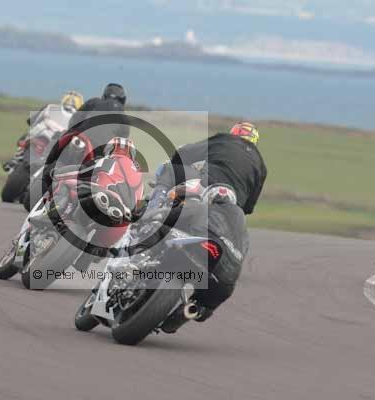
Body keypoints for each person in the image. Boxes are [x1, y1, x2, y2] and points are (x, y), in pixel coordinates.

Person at [154, 122, 267, 333]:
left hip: (203, 190)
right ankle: (195, 308)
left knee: (170, 171)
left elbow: (185, 153)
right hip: (229, 214)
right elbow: (249, 207)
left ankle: (153, 208)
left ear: (234, 134)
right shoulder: (261, 166)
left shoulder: (224, 140)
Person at [24, 83, 130, 210]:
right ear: (123, 100)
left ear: (104, 95)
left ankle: (44, 162)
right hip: (99, 154)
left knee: (59, 142)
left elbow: (74, 120)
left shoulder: (94, 102)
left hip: (80, 141)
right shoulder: (124, 118)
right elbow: (120, 141)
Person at [1, 91, 84, 203]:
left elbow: (30, 121)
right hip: (49, 140)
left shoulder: (52, 108)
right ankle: (17, 158)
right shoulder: (74, 115)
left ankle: (17, 159)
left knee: (28, 137)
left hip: (52, 140)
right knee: (28, 138)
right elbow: (32, 121)